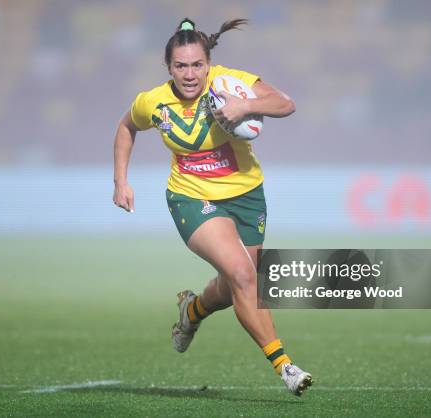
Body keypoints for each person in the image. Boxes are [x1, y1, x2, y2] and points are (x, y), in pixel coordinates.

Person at [112, 17, 312, 396]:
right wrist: (121, 181)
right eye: (180, 66)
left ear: (209, 63)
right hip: (191, 197)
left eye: (197, 65)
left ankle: (192, 311)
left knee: (236, 283)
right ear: (168, 67)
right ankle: (285, 366)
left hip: (246, 195)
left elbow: (286, 104)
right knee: (244, 275)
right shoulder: (153, 102)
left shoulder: (228, 83)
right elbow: (126, 126)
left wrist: (245, 106)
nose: (190, 74)